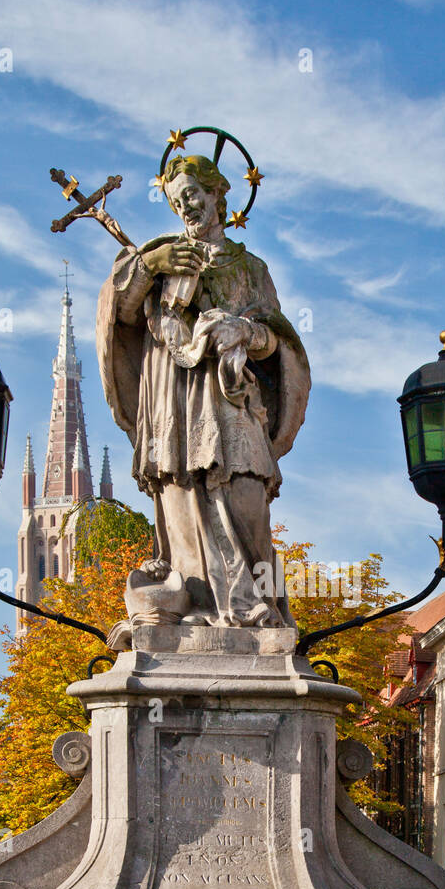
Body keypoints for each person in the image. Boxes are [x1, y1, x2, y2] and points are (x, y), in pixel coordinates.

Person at [97, 152, 310, 631]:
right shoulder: (160, 256)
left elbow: (278, 339)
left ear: (218, 192)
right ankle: (195, 606)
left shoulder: (250, 267)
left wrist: (244, 332)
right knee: (181, 492)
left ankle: (261, 611)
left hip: (231, 398)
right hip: (172, 395)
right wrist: (151, 262)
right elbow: (122, 315)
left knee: (248, 501)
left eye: (192, 195)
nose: (185, 208)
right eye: (175, 202)